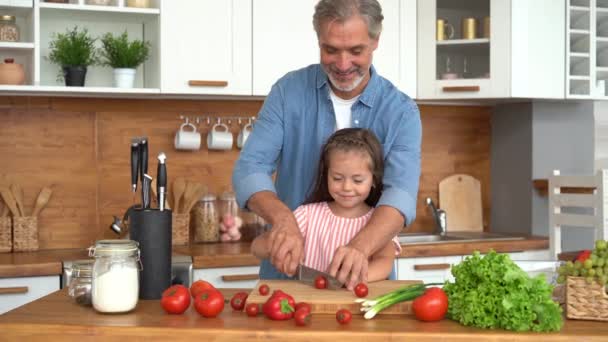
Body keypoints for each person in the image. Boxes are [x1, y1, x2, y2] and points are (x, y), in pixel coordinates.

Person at [232, 0, 421, 290]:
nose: (343, 65)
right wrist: (284, 221)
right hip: (286, 284)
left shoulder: (401, 111)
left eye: (356, 51)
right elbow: (250, 168)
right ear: (318, 39)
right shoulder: (288, 92)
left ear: (375, 40)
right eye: (330, 50)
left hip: (363, 290)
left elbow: (400, 195)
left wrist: (360, 248)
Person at [251, 128, 401, 282]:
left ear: (374, 180)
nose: (347, 187)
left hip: (355, 300)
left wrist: (354, 279)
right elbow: (256, 247)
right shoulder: (307, 215)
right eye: (337, 178)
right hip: (309, 301)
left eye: (357, 180)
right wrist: (277, 250)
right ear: (326, 175)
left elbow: (384, 263)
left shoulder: (379, 222)